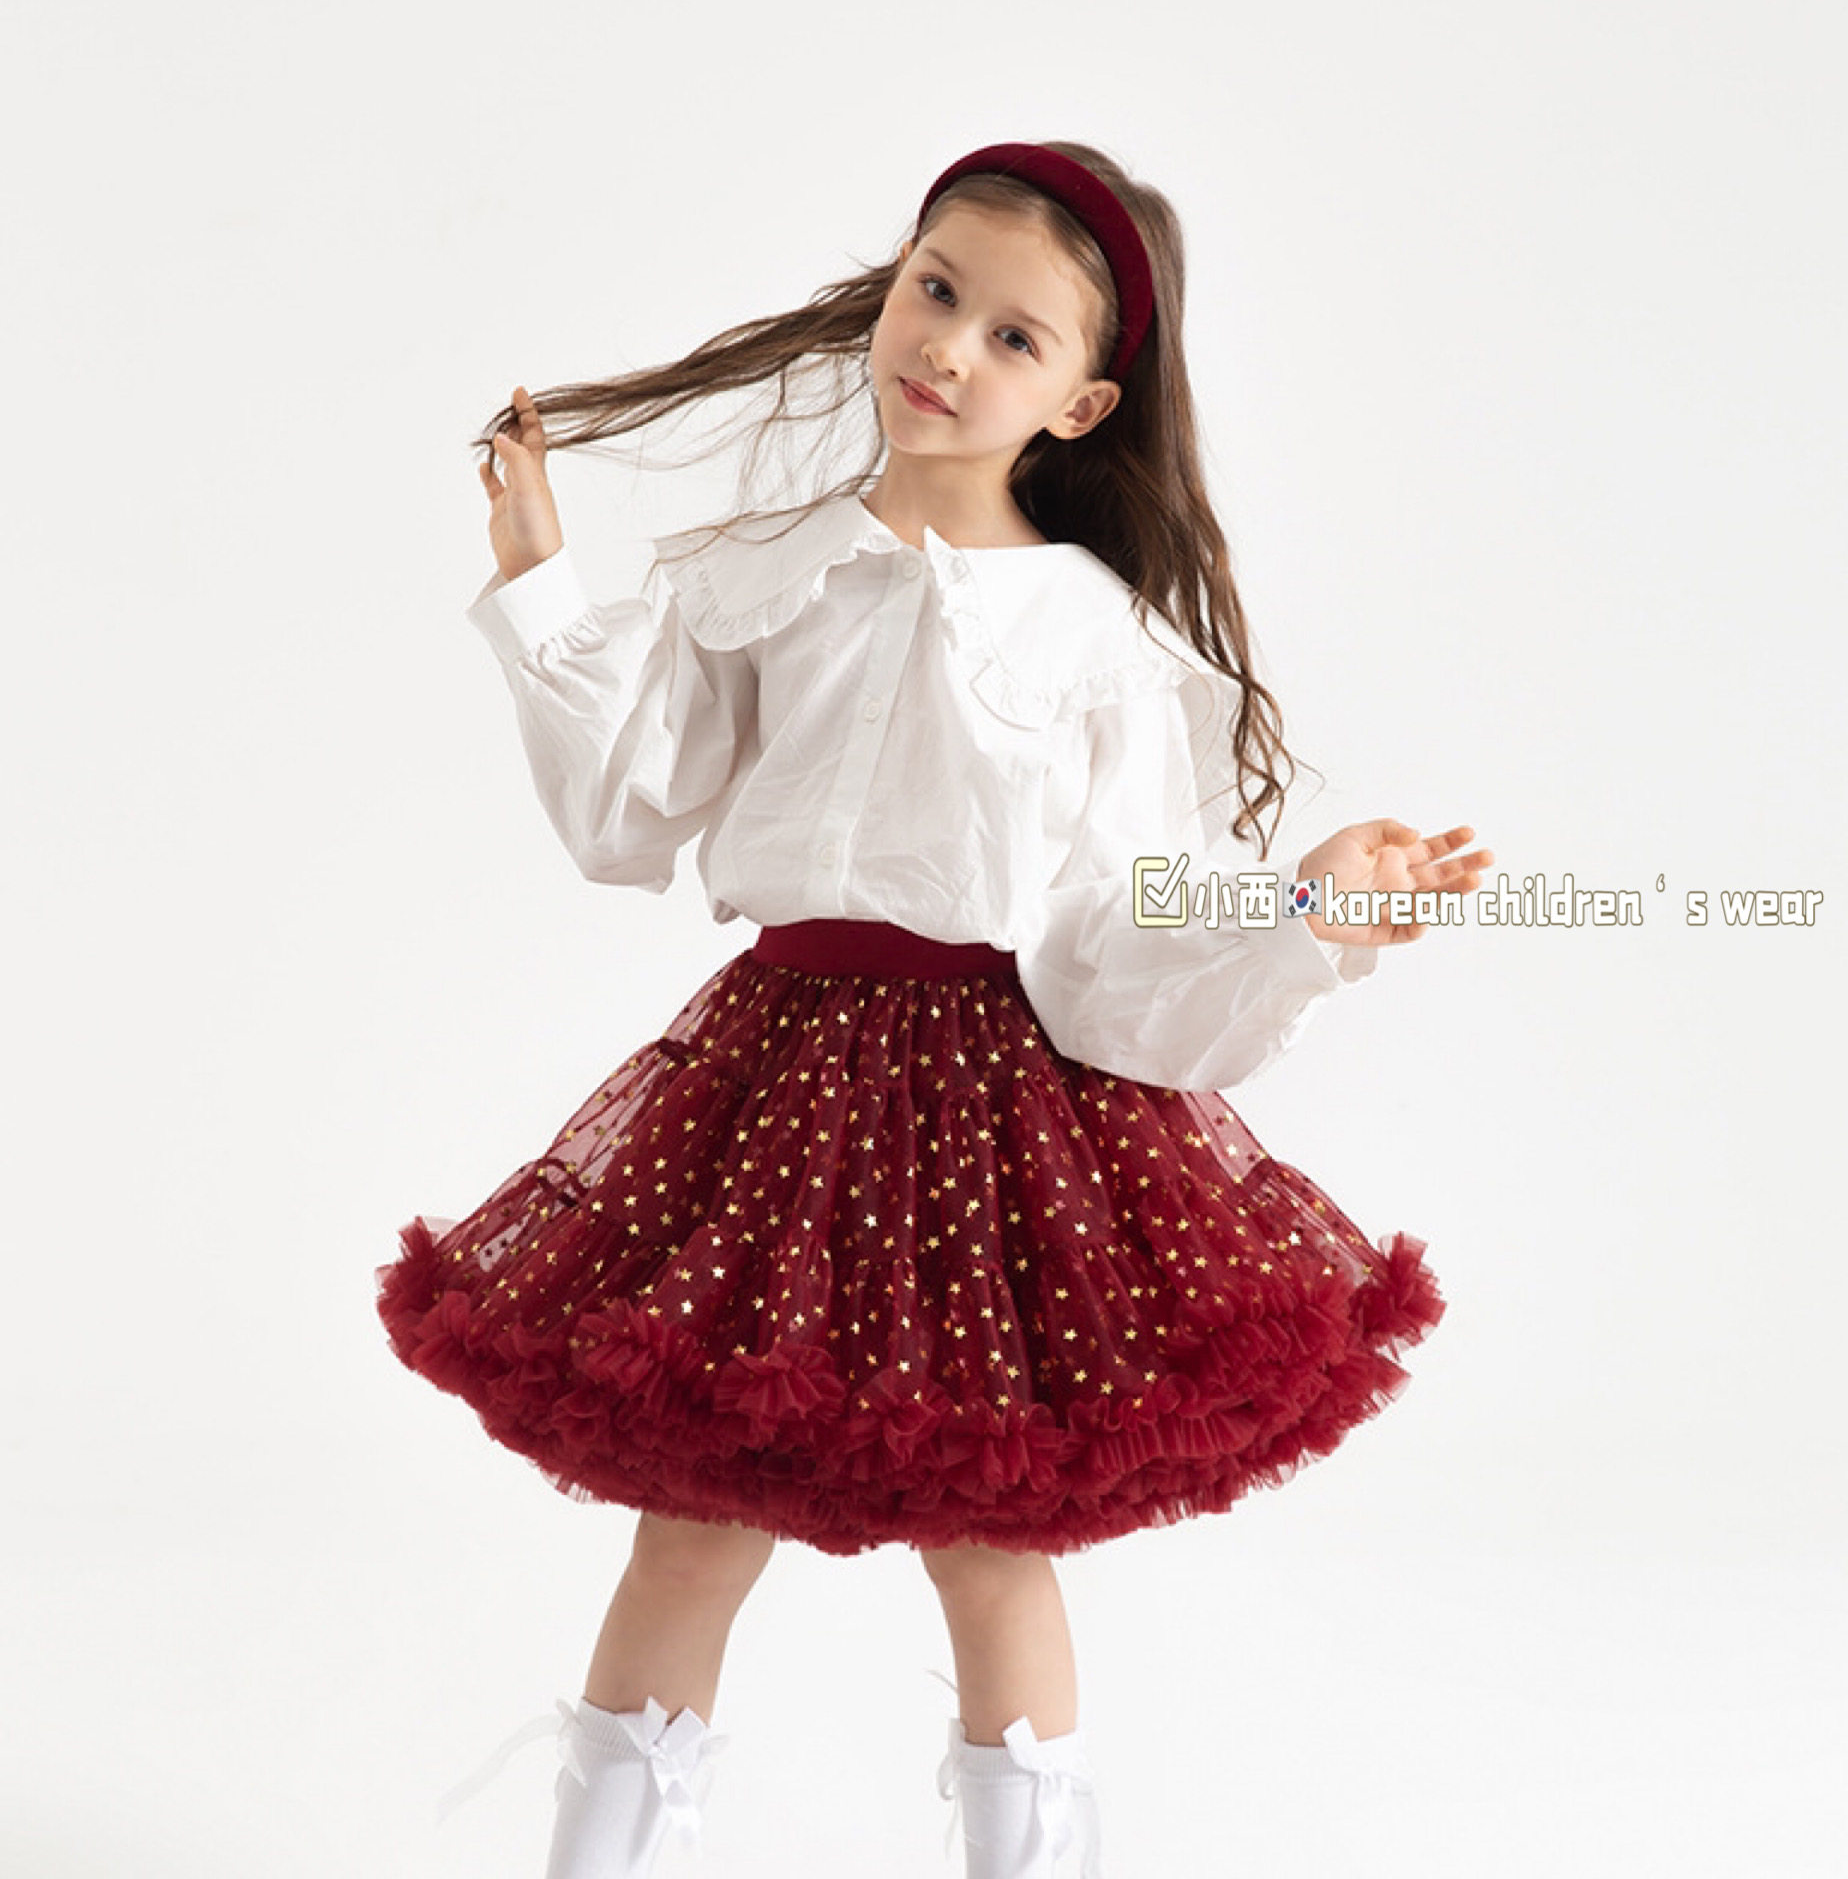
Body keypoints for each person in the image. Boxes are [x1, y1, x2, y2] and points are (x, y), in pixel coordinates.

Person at [376, 139, 1491, 1879]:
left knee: (991, 1543)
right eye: (937, 290)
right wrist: (538, 581)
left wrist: (1302, 908)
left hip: (1002, 1114)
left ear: (1082, 403)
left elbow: (1123, 938)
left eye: (1014, 338)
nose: (950, 349)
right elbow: (623, 813)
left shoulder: (1103, 644)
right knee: (693, 1522)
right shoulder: (763, 568)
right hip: (774, 1086)